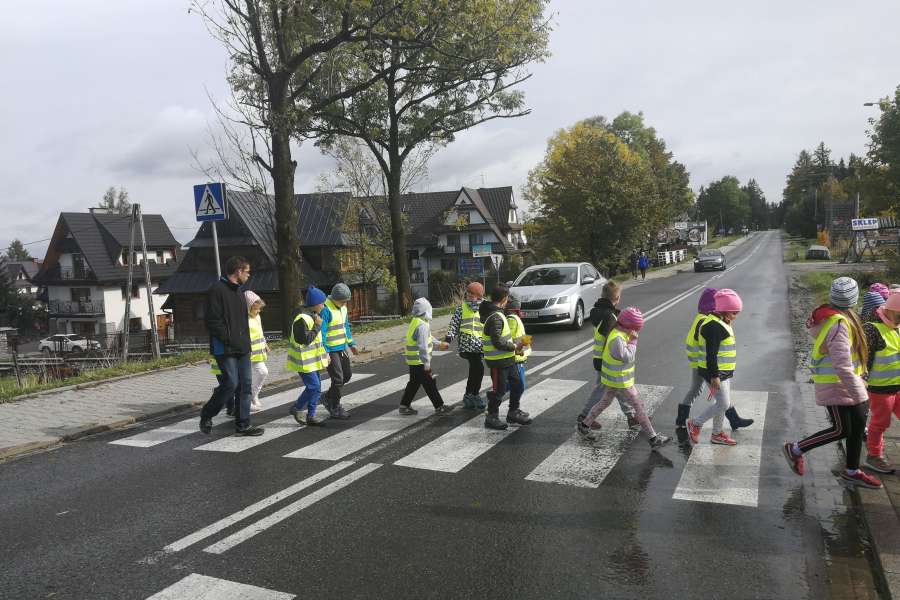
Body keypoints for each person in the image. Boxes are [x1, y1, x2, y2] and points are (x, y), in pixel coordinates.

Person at [782, 277, 882, 489]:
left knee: (855, 428)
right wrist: (860, 394)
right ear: (854, 300)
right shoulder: (838, 324)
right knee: (841, 430)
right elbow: (842, 365)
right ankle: (795, 450)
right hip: (837, 386)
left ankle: (852, 471)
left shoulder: (841, 318)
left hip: (848, 384)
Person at [577, 307, 671, 449]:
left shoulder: (619, 333)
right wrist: (633, 342)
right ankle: (653, 438)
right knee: (638, 406)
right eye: (634, 329)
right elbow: (627, 357)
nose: (635, 332)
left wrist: (630, 338)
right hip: (620, 381)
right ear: (627, 326)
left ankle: (585, 425)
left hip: (615, 380)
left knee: (604, 402)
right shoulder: (617, 338)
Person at [199, 256, 263, 437]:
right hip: (224, 348)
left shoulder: (240, 292)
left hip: (242, 348)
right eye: (247, 271)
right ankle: (207, 413)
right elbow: (213, 322)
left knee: (245, 385)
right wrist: (229, 339)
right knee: (230, 384)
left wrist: (246, 343)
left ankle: (243, 425)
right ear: (238, 271)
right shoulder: (216, 290)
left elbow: (243, 322)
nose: (249, 275)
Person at [676, 288, 752, 438]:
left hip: (702, 362)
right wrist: (713, 373)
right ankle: (688, 421)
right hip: (704, 363)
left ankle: (728, 424)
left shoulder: (703, 318)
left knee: (718, 396)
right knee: (715, 397)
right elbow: (710, 349)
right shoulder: (709, 322)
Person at [576, 281, 638, 429]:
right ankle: (584, 416)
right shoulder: (610, 317)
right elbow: (612, 339)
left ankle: (631, 416)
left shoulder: (599, 312)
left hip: (599, 357)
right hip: (606, 359)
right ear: (617, 298)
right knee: (604, 389)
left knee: (616, 388)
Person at [480, 284, 531, 430]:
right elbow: (498, 342)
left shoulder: (499, 314)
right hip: (498, 362)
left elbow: (504, 339)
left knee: (517, 385)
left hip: (508, 360)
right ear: (504, 299)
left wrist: (516, 348)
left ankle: (513, 412)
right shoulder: (495, 317)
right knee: (499, 391)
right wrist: (514, 347)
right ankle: (491, 417)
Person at [863, 292, 900, 474]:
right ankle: (874, 456)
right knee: (880, 424)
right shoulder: (872, 329)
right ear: (892, 311)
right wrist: (861, 381)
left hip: (897, 388)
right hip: (880, 390)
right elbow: (864, 360)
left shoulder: (897, 327)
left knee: (881, 423)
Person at [399, 297, 454, 416]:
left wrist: (439, 343)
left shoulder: (416, 321)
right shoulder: (422, 325)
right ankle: (439, 406)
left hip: (413, 360)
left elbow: (427, 337)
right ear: (426, 311)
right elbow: (423, 346)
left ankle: (404, 406)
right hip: (420, 361)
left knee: (414, 383)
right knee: (429, 383)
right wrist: (427, 364)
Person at [286, 287, 330, 426]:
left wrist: (325, 355)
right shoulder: (302, 318)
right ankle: (297, 408)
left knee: (316, 387)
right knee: (313, 386)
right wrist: (317, 327)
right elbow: (304, 340)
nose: (324, 305)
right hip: (303, 362)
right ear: (316, 304)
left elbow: (318, 341)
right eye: (322, 303)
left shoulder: (313, 315)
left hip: (313, 360)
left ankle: (311, 415)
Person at [444, 281, 487, 410]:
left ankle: (470, 394)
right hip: (467, 345)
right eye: (467, 293)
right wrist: (447, 340)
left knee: (476, 370)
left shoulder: (485, 308)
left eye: (471, 294)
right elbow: (454, 325)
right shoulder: (461, 308)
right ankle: (473, 395)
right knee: (478, 368)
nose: (468, 296)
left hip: (480, 344)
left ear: (479, 296)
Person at [320, 283, 358, 419]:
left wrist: (351, 343)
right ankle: (334, 406)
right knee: (338, 379)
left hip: (342, 347)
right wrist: (324, 351)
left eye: (346, 301)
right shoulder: (326, 309)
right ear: (334, 298)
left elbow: (345, 327)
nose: (344, 303)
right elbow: (322, 332)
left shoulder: (343, 308)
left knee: (347, 375)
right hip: (330, 350)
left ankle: (327, 396)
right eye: (342, 301)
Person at [245, 291, 270, 413]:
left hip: (258, 353)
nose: (259, 311)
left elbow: (260, 332)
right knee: (246, 378)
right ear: (249, 307)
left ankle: (254, 395)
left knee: (263, 372)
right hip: (247, 353)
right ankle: (247, 401)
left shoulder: (257, 317)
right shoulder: (243, 319)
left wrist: (265, 344)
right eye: (256, 309)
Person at [506, 295, 531, 392]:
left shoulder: (512, 319)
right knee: (519, 386)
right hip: (517, 357)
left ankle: (497, 392)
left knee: (518, 385)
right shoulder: (515, 318)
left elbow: (511, 337)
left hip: (518, 355)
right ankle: (496, 393)